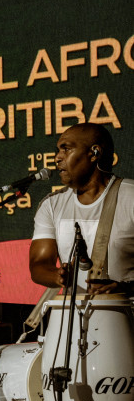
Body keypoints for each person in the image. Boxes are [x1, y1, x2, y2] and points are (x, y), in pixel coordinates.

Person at [30, 123, 133, 295]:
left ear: (95, 153)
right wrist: (57, 276)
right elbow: (39, 264)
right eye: (58, 150)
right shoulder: (52, 204)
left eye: (66, 149)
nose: (57, 158)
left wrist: (127, 287)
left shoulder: (130, 196)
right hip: (72, 315)